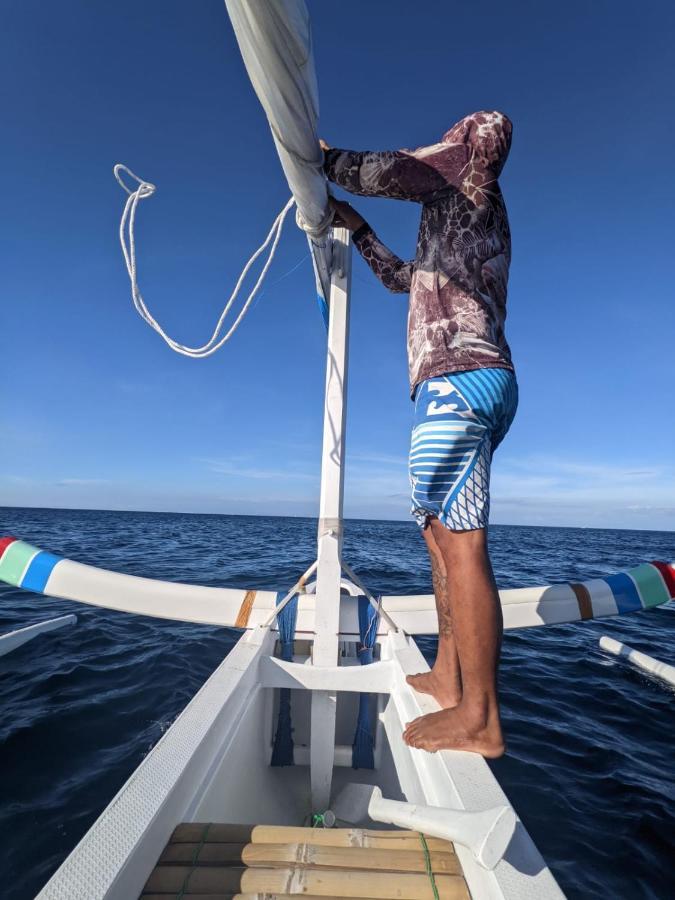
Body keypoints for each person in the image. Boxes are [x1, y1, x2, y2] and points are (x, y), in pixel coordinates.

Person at [321, 111, 517, 757]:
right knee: (440, 539)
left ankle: (480, 717)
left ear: (468, 148)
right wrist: (358, 228)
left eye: (454, 137)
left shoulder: (463, 176)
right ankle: (448, 675)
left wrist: (318, 156)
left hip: (456, 379)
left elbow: (388, 171)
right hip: (468, 379)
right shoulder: (463, 222)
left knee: (459, 544)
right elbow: (401, 280)